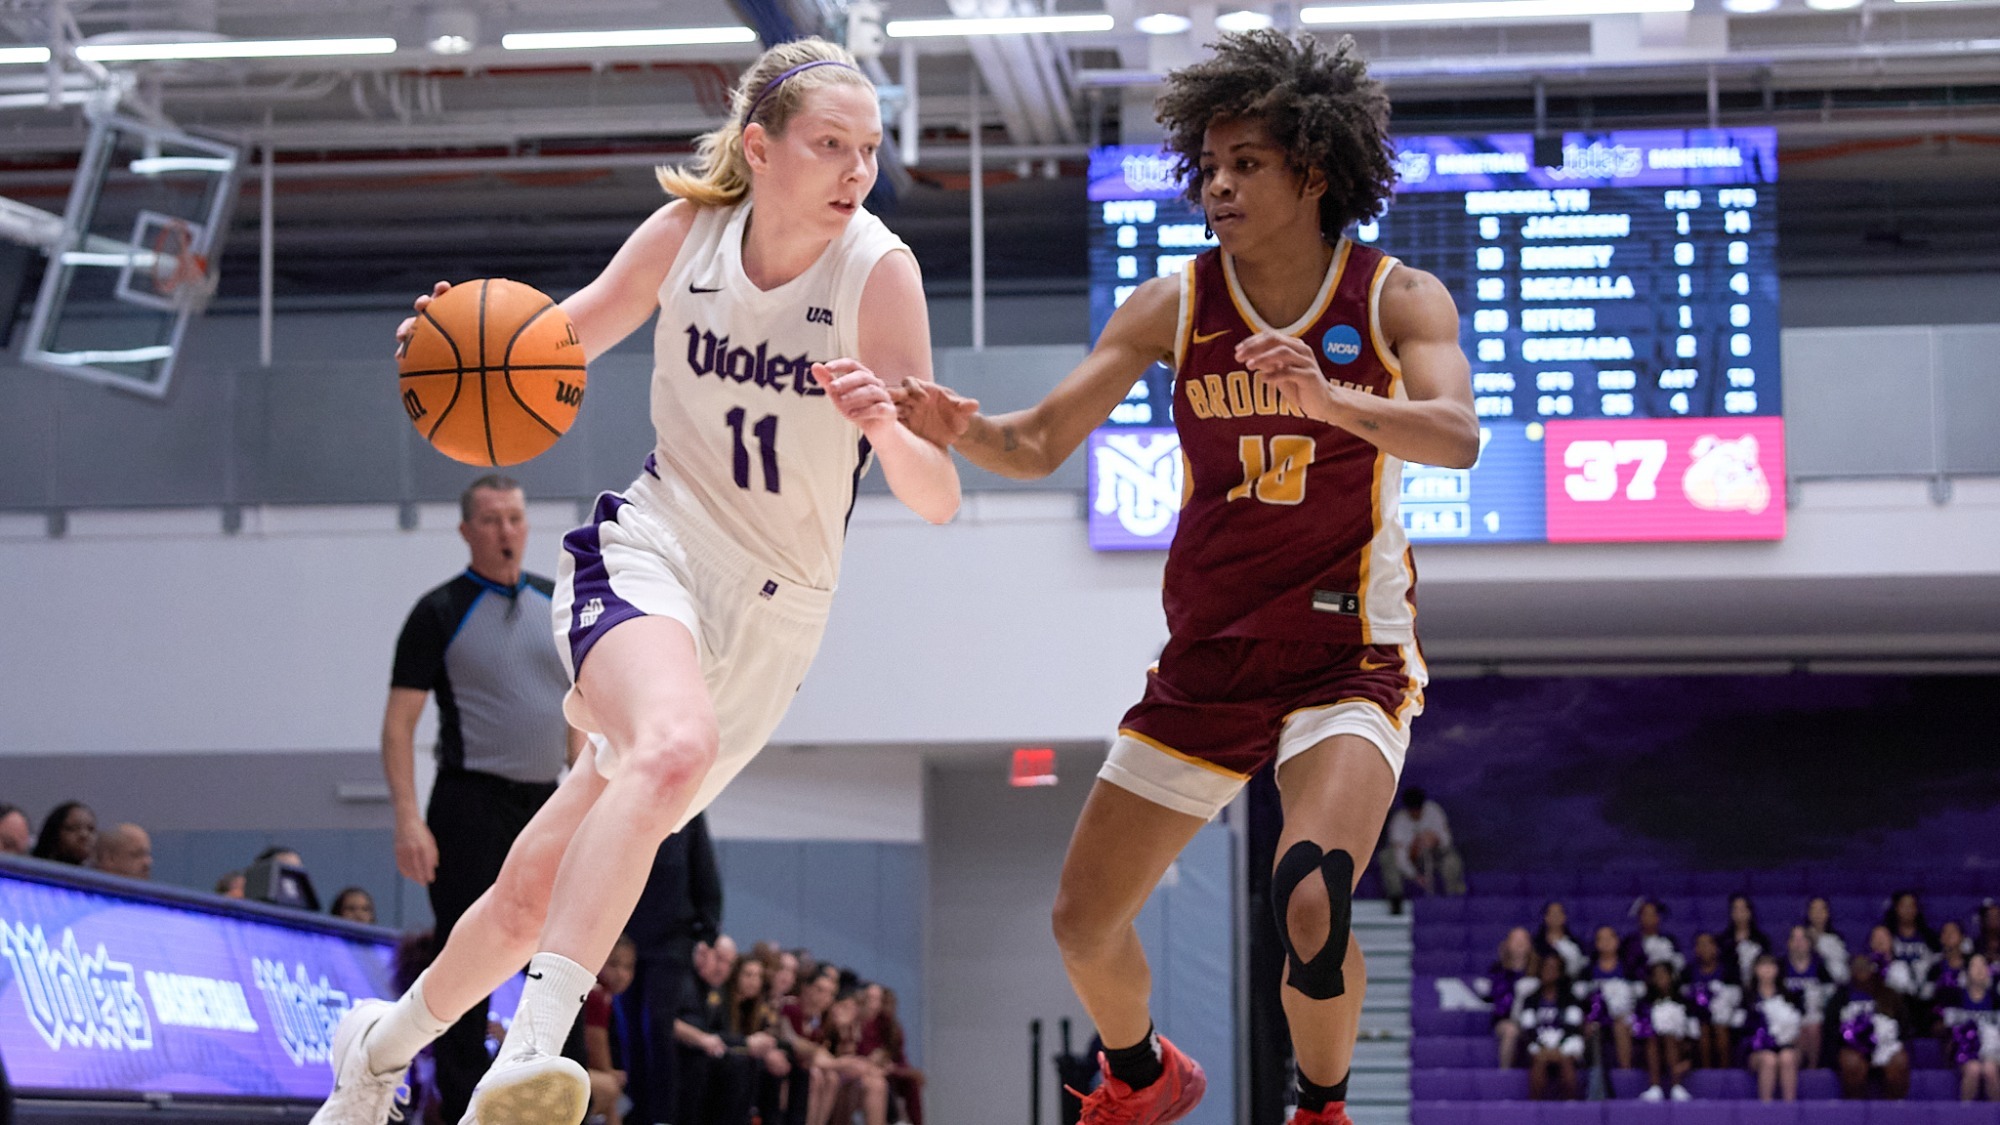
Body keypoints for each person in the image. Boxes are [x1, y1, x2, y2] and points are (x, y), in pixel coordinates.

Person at [312, 35, 958, 1125]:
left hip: (775, 615)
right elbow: (549, 348)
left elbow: (936, 494)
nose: (857, 171)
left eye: (870, 149)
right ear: (760, 148)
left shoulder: (878, 272)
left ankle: (376, 1050)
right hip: (653, 549)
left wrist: (886, 431)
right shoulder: (684, 237)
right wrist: (452, 345)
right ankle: (530, 1055)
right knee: (671, 745)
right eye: (830, 145)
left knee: (527, 895)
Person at [896, 31, 1477, 1125]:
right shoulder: (1173, 306)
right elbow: (1032, 444)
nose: (1216, 183)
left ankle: (1320, 1106)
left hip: (1345, 655)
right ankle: (1142, 1073)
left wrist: (1334, 400)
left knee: (1310, 898)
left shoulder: (1396, 299)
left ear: (1312, 171)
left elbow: (1456, 436)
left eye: (1244, 162)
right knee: (1079, 922)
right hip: (1208, 657)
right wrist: (951, 429)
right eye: (1207, 165)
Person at [379, 472, 580, 1122]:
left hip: (546, 802)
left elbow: (581, 711)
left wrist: (584, 798)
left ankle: (543, 1102)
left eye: (516, 518)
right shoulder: (438, 610)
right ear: (468, 530)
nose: (507, 531)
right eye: (492, 520)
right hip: (466, 803)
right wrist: (409, 817)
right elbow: (398, 724)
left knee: (555, 960)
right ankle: (457, 1105)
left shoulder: (557, 603)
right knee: (464, 958)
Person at [1832, 953, 1911, 1100]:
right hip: (1853, 1047)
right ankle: (1856, 1111)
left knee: (1900, 1061)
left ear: (1872, 969)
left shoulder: (1889, 994)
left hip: (1886, 1047)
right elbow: (1831, 1030)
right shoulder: (1840, 996)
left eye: (1865, 967)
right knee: (1852, 1063)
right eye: (1857, 967)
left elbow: (1903, 1027)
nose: (1861, 971)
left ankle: (1894, 1110)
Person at [1377, 787, 1465, 909]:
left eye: (1418, 809)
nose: (1416, 813)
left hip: (1434, 856)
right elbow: (1400, 857)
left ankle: (1454, 899)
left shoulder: (1434, 811)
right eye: (1413, 810)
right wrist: (1415, 876)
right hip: (1411, 860)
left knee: (1452, 860)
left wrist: (1436, 839)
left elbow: (1447, 840)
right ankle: (1396, 901)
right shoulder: (1399, 821)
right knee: (1387, 857)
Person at [584, 934, 637, 1125]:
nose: (622, 974)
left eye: (628, 967)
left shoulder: (605, 997)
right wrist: (610, 1072)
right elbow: (598, 1057)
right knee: (611, 1089)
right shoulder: (597, 996)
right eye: (614, 965)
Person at [1514, 957, 1583, 1101]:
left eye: (1553, 968)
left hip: (1565, 1043)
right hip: (1540, 1043)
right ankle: (1535, 1107)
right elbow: (1529, 1028)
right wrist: (1544, 1048)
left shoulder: (1570, 998)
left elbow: (1573, 1026)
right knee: (1539, 1059)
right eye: (1546, 968)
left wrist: (1558, 1048)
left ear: (1560, 972)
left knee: (1566, 1060)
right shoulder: (1531, 999)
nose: (1549, 972)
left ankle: (1571, 1105)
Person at [1739, 954, 1804, 1103]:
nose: (1767, 969)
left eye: (1771, 965)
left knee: (1787, 1057)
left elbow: (1797, 1026)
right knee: (1769, 1059)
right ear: (1755, 969)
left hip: (1787, 1046)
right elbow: (1743, 1029)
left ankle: (1790, 1110)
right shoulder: (1748, 997)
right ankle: (1766, 1110)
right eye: (1763, 965)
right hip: (1757, 1051)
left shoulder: (1789, 996)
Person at [858, 984, 924, 1125]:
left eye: (879, 1000)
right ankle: (894, 1120)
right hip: (867, 1071)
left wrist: (899, 1069)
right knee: (878, 1082)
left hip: (888, 1071)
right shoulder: (861, 1024)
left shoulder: (893, 1029)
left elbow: (900, 1059)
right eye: (873, 1000)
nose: (878, 1006)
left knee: (911, 1081)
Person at [1938, 953, 1999, 1102]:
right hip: (1964, 1051)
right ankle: (1965, 1116)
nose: (1979, 969)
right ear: (1966, 972)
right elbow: (1945, 1028)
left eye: (1983, 965)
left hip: (1994, 1050)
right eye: (1975, 965)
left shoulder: (1996, 1000)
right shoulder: (1955, 998)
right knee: (1973, 1069)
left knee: (1990, 1070)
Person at [1577, 924, 1638, 1071]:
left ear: (1617, 941)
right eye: (1601, 939)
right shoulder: (1588, 970)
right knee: (1587, 1025)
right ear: (1596, 944)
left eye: (1609, 937)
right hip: (1596, 1015)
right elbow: (1582, 997)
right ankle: (1588, 1073)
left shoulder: (1628, 968)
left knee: (1621, 1025)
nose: (1606, 942)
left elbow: (1638, 996)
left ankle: (1625, 1071)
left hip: (1624, 1016)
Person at [1633, 961, 1694, 1102]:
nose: (1660, 978)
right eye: (1656, 975)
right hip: (1650, 1049)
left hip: (1679, 1047)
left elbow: (1693, 1033)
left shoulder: (1684, 1002)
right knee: (1652, 1039)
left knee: (1670, 1038)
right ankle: (1655, 1087)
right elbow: (1639, 1031)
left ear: (1671, 977)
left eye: (1664, 974)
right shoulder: (1645, 1004)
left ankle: (1676, 1086)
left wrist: (1690, 1057)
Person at [1781, 924, 1836, 1068]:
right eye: (1794, 939)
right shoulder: (1781, 966)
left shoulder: (1820, 966)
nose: (1798, 943)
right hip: (1787, 1015)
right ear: (1788, 943)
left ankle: (1813, 1067)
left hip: (1814, 1014)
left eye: (1803, 939)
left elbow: (1830, 994)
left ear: (1810, 943)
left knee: (1813, 1025)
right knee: (1796, 1026)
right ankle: (1795, 1066)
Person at [1683, 931, 1739, 1070]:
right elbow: (1684, 997)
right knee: (1703, 1027)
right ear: (1695, 949)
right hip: (1697, 1015)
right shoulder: (1688, 971)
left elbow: (1736, 997)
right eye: (1700, 945)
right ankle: (1706, 1070)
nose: (1704, 948)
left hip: (1724, 1014)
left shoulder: (1728, 970)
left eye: (1708, 944)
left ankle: (1724, 1070)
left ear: (1716, 948)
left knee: (1720, 1026)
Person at [1486, 928, 1537, 1068]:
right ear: (1507, 944)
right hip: (1507, 1019)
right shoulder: (1498, 970)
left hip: (1535, 1019)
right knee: (1510, 1030)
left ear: (1530, 944)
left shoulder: (1539, 969)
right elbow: (1500, 1003)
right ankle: (1505, 1074)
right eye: (1515, 939)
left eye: (1523, 939)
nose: (1520, 943)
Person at [1723, 894, 1773, 985]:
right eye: (1735, 909)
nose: (1739, 913)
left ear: (1749, 912)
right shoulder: (1724, 940)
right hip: (1732, 987)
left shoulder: (1762, 940)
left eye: (1742, 909)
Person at [1805, 896, 1853, 984]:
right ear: (1809, 913)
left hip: (1831, 983)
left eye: (1821, 909)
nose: (1818, 913)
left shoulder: (1836, 938)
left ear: (1827, 913)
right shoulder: (1802, 936)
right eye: (1814, 909)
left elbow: (1841, 970)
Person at [30, 800, 94, 864]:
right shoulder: (30, 868)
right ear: (54, 834)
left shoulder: (94, 873)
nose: (85, 835)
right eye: (74, 828)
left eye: (91, 829)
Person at [1534, 901, 1587, 979]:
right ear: (1546, 917)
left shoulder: (1575, 944)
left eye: (1559, 913)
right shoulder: (1536, 944)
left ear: (1564, 917)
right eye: (1552, 913)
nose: (1556, 917)